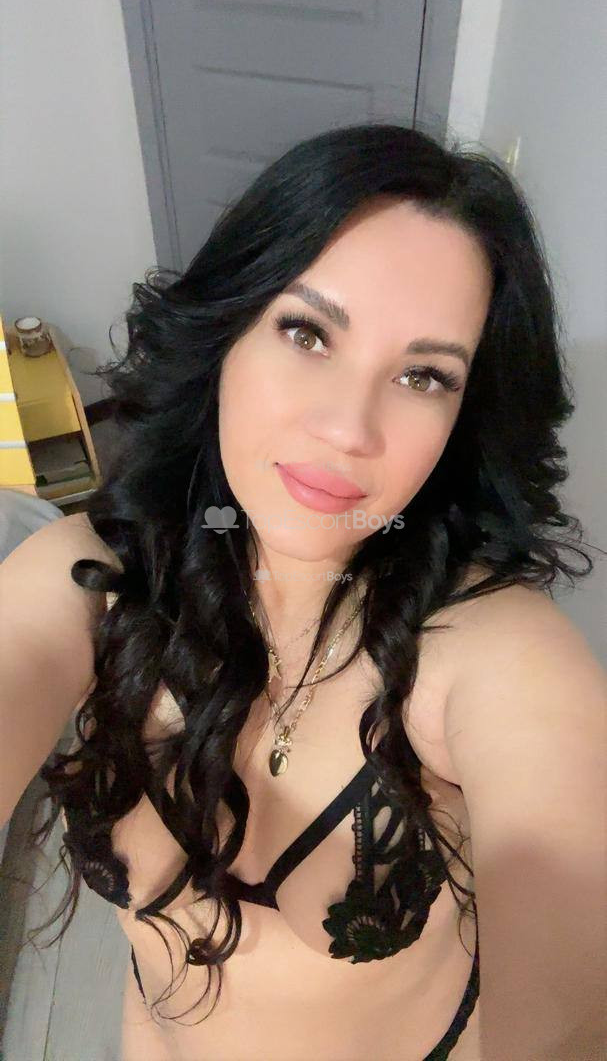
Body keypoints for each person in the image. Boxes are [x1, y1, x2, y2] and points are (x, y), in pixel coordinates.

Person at [1, 122, 604, 1061]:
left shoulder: (493, 652)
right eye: (306, 332)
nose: (348, 428)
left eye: (422, 375)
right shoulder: (91, 580)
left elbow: (572, 973)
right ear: (227, 330)